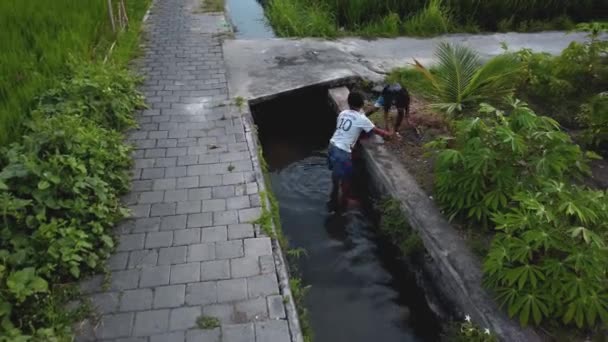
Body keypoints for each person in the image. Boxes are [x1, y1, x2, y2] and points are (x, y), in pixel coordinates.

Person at [327, 91, 392, 210]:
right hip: (343, 153)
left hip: (332, 146)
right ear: (362, 104)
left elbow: (346, 131)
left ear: (348, 102)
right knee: (347, 180)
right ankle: (344, 203)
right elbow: (376, 131)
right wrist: (389, 135)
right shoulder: (362, 118)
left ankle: (334, 192)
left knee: (336, 174)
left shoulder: (343, 113)